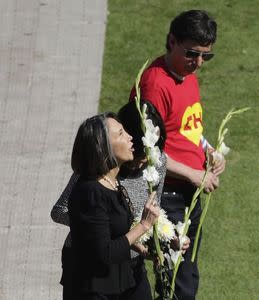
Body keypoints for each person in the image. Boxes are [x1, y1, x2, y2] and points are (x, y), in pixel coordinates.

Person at [129, 9, 225, 299]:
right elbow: (146, 150)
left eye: (205, 56)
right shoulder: (155, 85)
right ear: (172, 41)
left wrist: (208, 149)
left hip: (188, 195)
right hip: (167, 196)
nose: (197, 64)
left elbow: (186, 129)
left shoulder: (187, 76)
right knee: (173, 279)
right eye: (192, 54)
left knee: (186, 274)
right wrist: (194, 173)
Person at [52, 103, 189, 299]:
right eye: (122, 134)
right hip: (93, 276)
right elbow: (63, 213)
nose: (144, 162)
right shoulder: (92, 184)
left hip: (127, 267)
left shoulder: (127, 177)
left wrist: (166, 241)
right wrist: (127, 228)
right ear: (105, 146)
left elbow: (150, 215)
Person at [61, 112, 160, 299]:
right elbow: (104, 253)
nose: (131, 137)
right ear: (103, 147)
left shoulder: (112, 184)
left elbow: (112, 233)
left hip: (117, 284)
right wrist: (144, 225)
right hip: (93, 290)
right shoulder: (90, 192)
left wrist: (143, 247)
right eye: (121, 134)